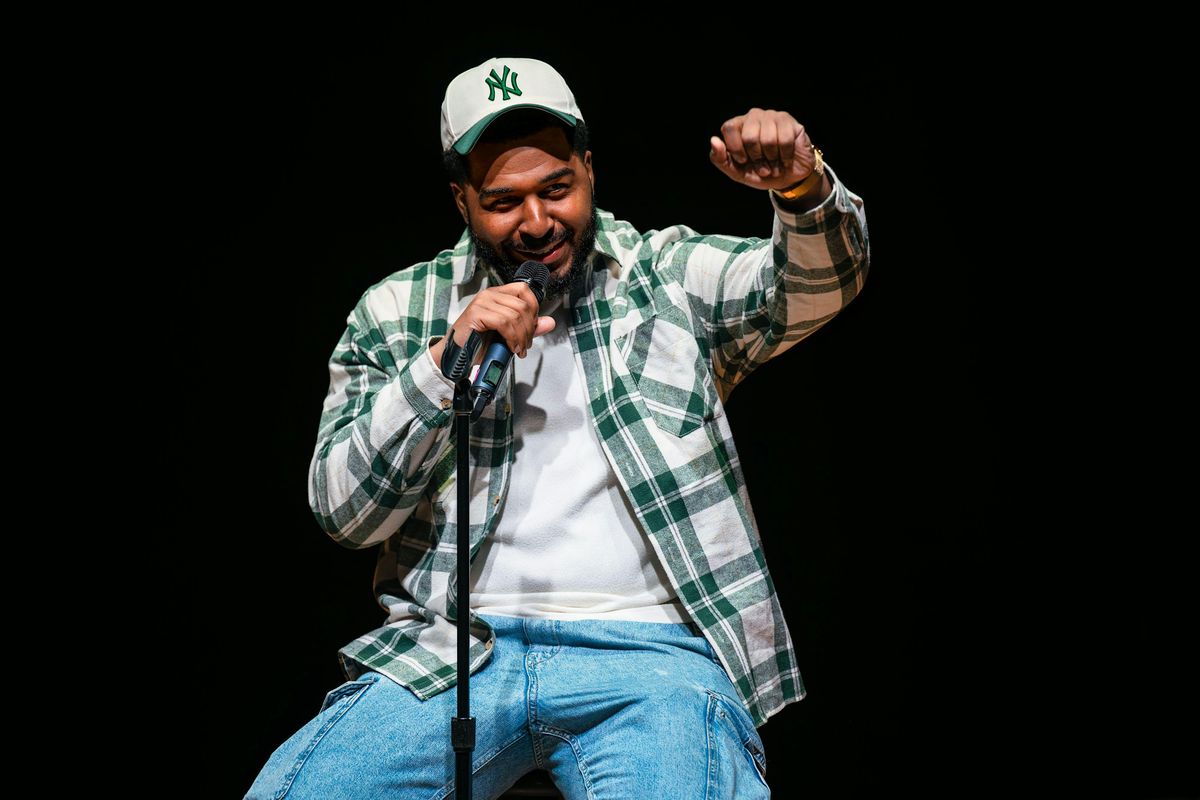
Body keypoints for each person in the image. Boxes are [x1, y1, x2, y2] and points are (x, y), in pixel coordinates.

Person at [246, 56, 869, 799]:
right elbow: (344, 514)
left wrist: (802, 190)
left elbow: (816, 285)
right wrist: (440, 366)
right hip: (452, 654)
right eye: (504, 201)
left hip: (652, 657)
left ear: (590, 171)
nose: (538, 223)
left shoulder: (665, 276)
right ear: (461, 200)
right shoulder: (395, 311)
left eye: (556, 189)